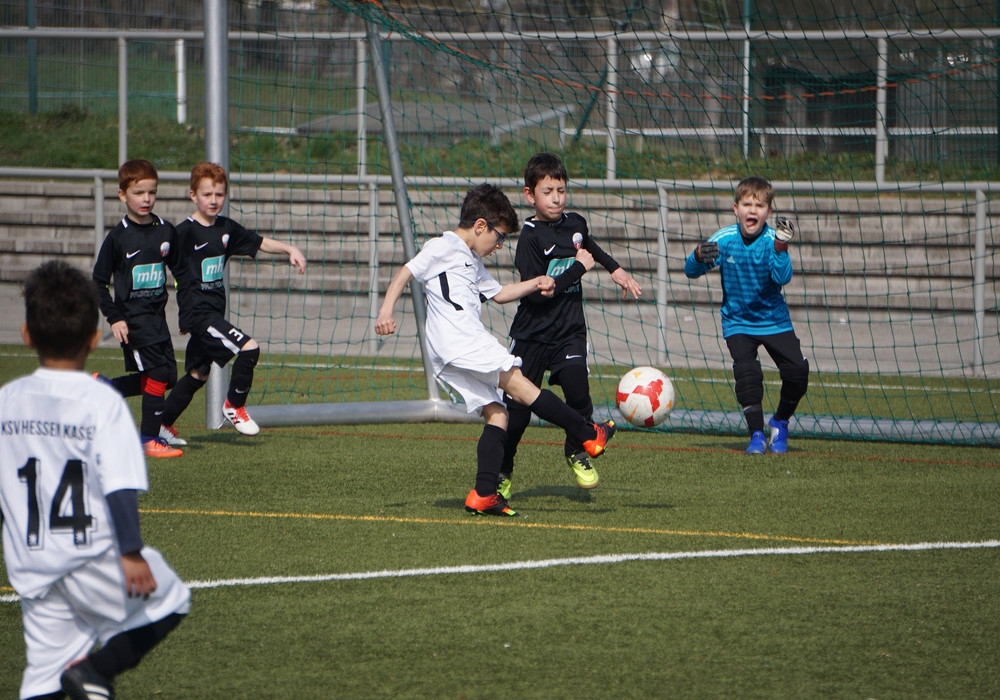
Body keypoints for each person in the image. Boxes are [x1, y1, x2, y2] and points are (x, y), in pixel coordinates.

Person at [0, 260, 190, 700]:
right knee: (172, 598)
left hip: (31, 561)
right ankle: (96, 672)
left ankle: (81, 676)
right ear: (93, 337)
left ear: (26, 335)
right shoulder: (101, 402)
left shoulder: (7, 401)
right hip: (89, 554)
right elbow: (120, 483)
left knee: (44, 676)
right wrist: (130, 552)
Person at [374, 183, 616, 517]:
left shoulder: (471, 261)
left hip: (447, 350)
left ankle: (484, 493)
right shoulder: (444, 245)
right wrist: (386, 311)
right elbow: (406, 272)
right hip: (462, 339)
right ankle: (588, 433)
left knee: (498, 414)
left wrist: (536, 282)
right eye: (499, 237)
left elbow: (499, 293)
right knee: (522, 387)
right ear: (480, 226)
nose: (499, 246)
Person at [501, 152, 642, 496]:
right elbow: (538, 295)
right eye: (548, 192)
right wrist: (578, 269)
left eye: (561, 190)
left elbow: (589, 247)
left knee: (579, 392)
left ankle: (575, 450)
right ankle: (501, 473)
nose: (556, 198)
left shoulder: (575, 222)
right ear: (529, 195)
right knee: (516, 414)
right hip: (532, 334)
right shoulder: (530, 238)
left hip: (569, 331)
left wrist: (616, 269)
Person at [157, 162, 306, 443]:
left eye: (219, 194)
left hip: (213, 313)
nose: (214, 200)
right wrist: (183, 316)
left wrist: (289, 249)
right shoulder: (183, 233)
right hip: (200, 315)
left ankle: (160, 425)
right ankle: (234, 406)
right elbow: (165, 266)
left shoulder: (225, 228)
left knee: (198, 374)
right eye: (207, 194)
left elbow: (259, 242)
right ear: (193, 195)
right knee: (249, 348)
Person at [684, 176, 808, 455]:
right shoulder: (724, 239)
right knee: (747, 374)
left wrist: (781, 249)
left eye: (759, 206)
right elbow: (690, 272)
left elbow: (783, 277)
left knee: (798, 373)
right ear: (735, 208)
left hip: (773, 320)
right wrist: (697, 255)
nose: (752, 210)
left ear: (769, 212)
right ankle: (756, 435)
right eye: (747, 204)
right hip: (737, 321)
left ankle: (780, 422)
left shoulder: (772, 241)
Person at [93, 158, 185, 459]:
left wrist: (188, 311)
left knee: (168, 377)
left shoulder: (165, 231)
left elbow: (181, 272)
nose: (146, 199)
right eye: (138, 193)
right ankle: (148, 439)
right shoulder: (117, 238)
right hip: (132, 321)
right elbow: (98, 283)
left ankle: (106, 388)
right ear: (122, 195)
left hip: (157, 319)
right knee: (157, 373)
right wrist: (115, 318)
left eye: (151, 192)